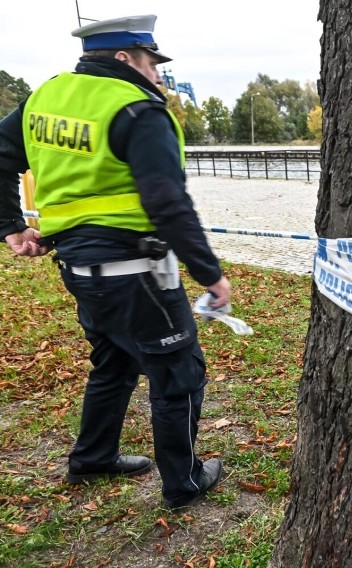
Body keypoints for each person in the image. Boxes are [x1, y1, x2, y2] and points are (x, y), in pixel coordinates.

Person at [0, 14, 229, 509]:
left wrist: (11, 226)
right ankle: (183, 482)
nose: (157, 74)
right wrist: (210, 274)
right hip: (136, 271)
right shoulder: (137, 109)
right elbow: (167, 202)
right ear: (126, 58)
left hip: (80, 271)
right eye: (152, 62)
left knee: (115, 362)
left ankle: (93, 457)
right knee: (179, 372)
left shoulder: (46, 96)